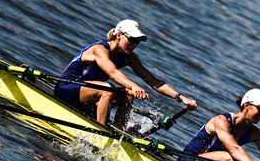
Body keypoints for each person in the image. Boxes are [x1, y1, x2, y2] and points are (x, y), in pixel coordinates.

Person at [54, 19, 196, 126]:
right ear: (119, 35)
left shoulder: (129, 58)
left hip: (87, 95)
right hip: (65, 88)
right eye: (132, 39)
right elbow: (112, 71)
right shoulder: (99, 49)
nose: (135, 44)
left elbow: (154, 82)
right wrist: (133, 85)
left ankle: (119, 130)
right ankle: (100, 132)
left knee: (128, 94)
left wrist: (181, 97)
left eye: (138, 41)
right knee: (107, 89)